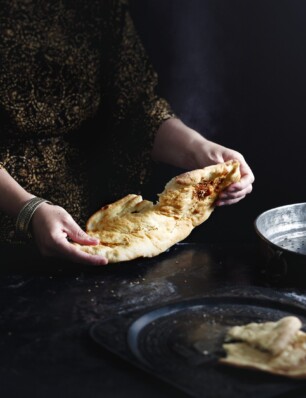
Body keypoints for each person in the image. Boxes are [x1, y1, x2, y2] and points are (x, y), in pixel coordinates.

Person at [0, 0, 254, 265]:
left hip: (98, 225)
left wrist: (201, 151)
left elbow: (135, 108)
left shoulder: (100, 9)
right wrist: (27, 210)